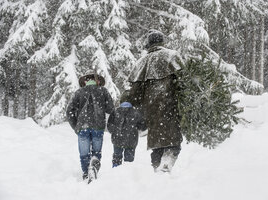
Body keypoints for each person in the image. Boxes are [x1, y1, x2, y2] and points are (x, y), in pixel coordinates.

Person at [121, 29, 183, 173]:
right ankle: (167, 160)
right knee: (173, 142)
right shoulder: (172, 56)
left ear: (148, 44)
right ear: (162, 41)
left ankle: (157, 170)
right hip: (171, 107)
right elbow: (185, 82)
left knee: (157, 144)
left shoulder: (142, 62)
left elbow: (135, 95)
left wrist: (128, 101)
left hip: (152, 112)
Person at [66, 71, 114, 181]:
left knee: (84, 154)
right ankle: (94, 168)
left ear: (85, 81)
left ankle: (86, 173)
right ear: (97, 80)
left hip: (83, 127)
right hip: (98, 126)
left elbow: (69, 111)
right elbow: (110, 109)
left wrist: (76, 126)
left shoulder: (79, 92)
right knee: (96, 152)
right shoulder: (103, 91)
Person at [107, 101, 147, 168]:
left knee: (116, 157)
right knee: (129, 162)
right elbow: (143, 126)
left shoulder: (116, 111)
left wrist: (114, 132)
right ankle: (127, 173)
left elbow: (109, 125)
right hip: (131, 140)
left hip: (117, 139)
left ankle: (115, 171)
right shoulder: (136, 112)